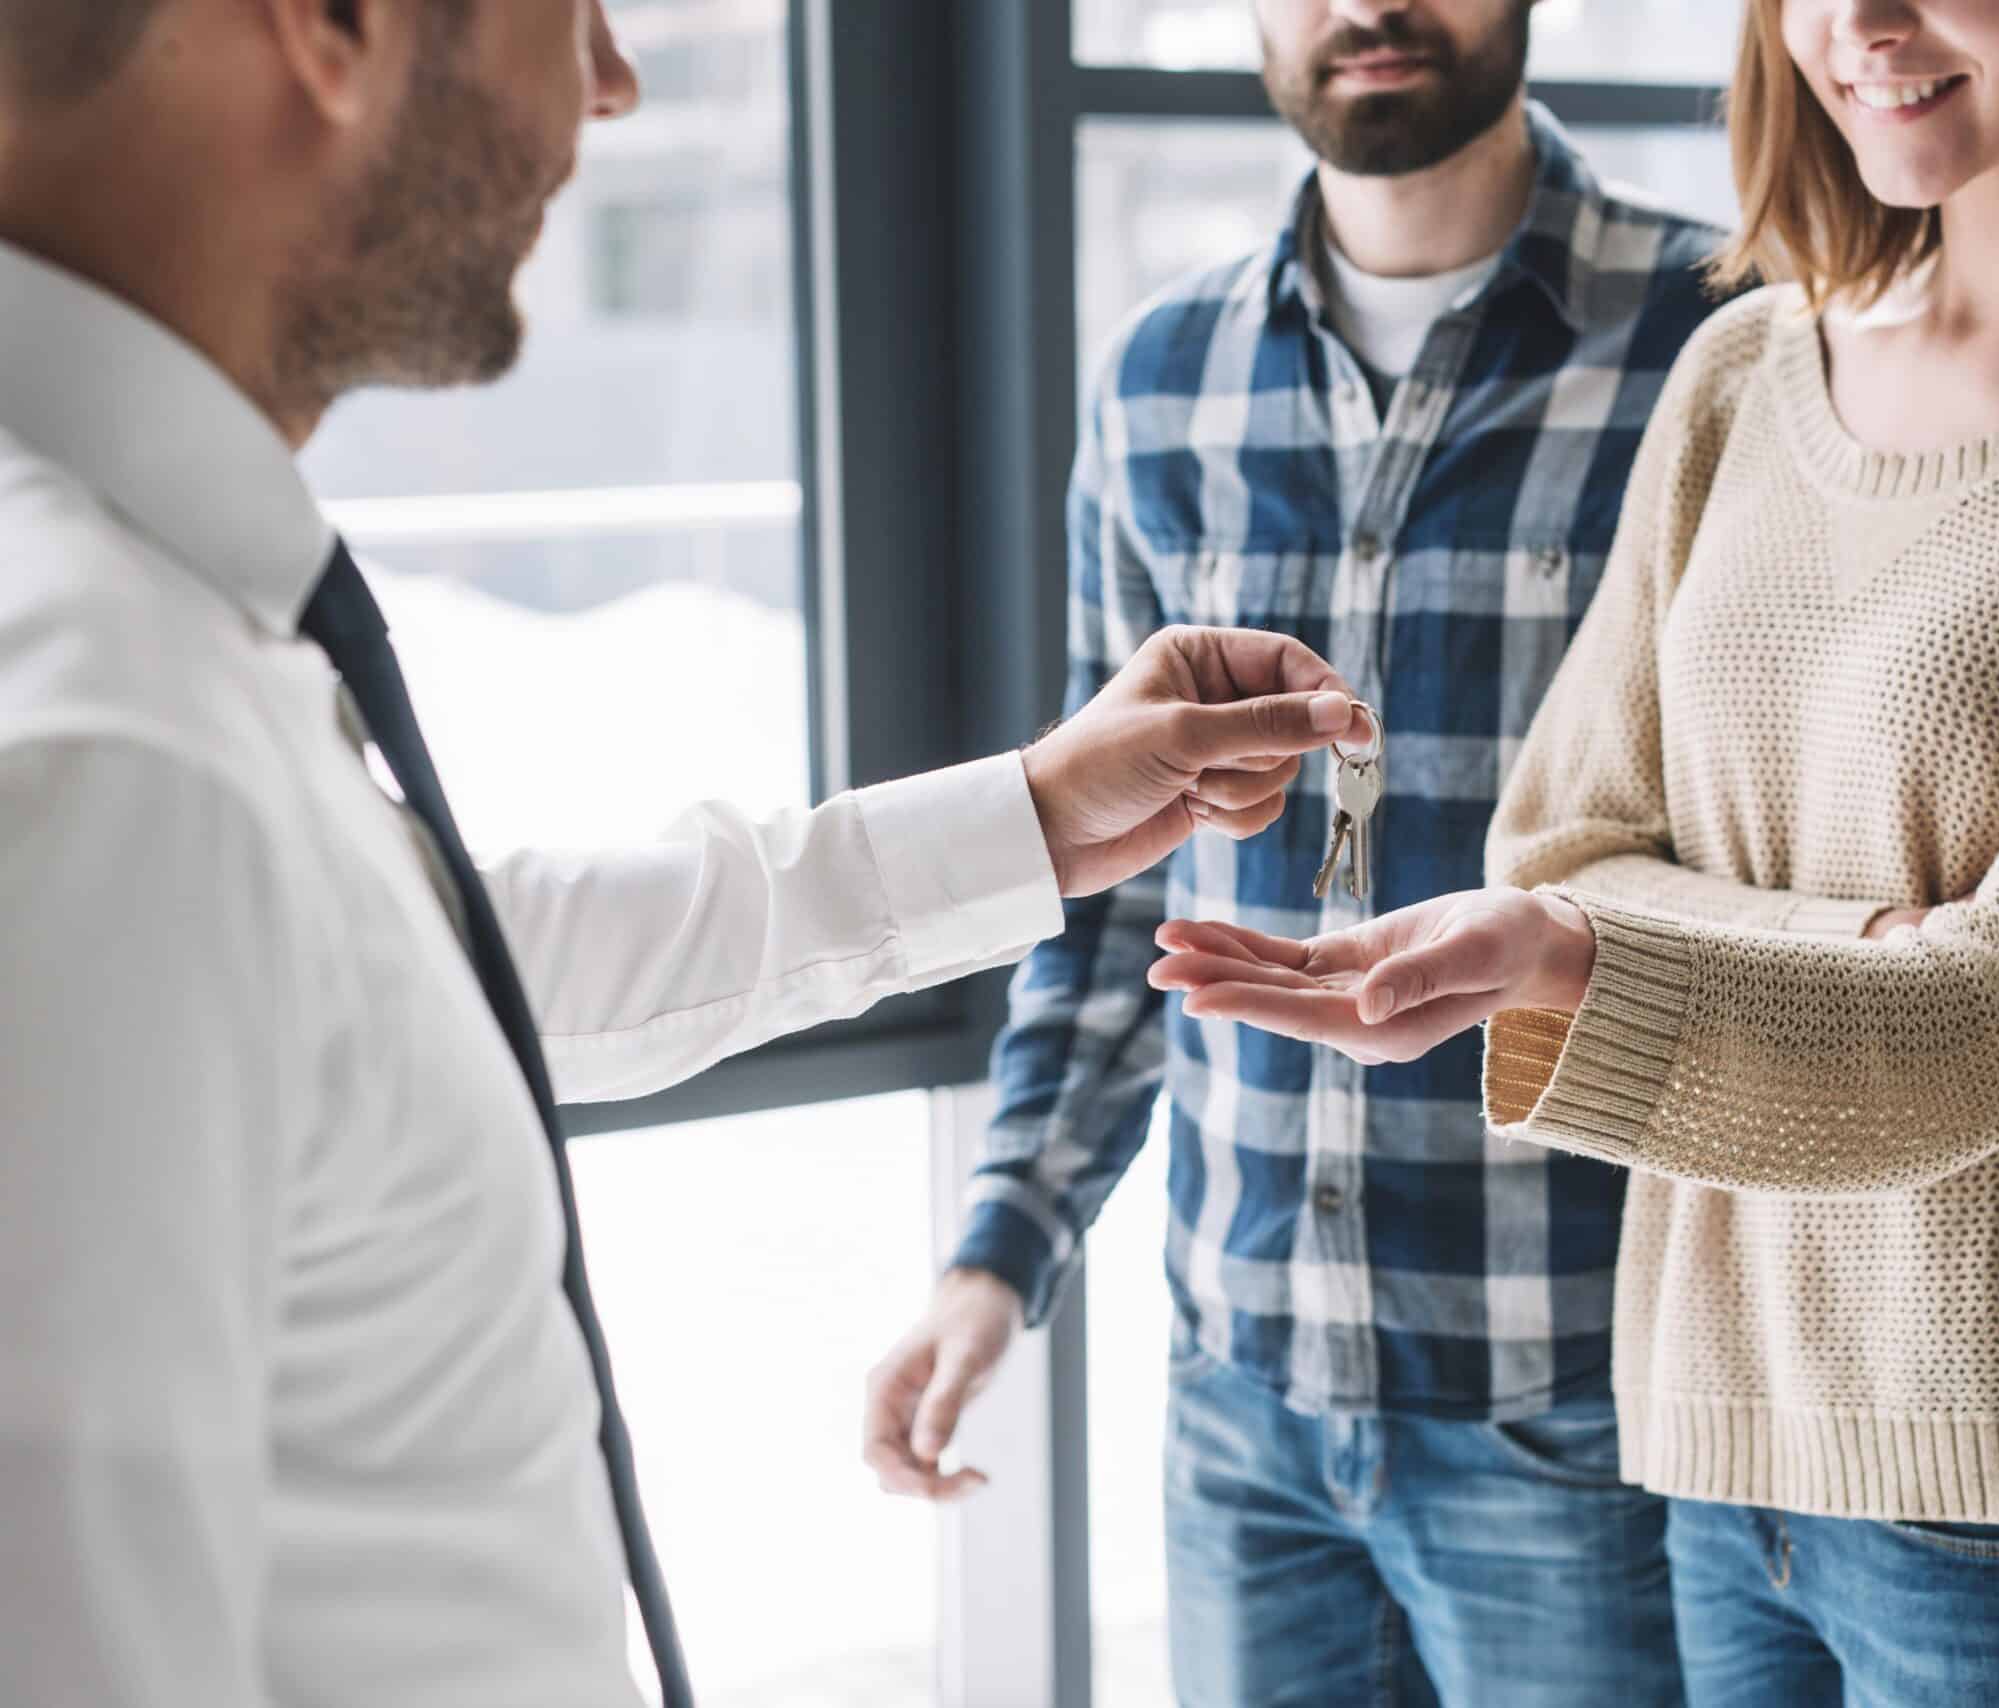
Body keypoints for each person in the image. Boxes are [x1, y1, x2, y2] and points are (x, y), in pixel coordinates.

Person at [869, 2, 1999, 1702]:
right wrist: (996, 1255)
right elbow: (1118, 901)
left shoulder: (1741, 332)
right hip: (1245, 1385)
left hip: (1597, 1385)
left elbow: (1919, 844)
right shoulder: (1165, 378)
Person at [0, 4, 1364, 1704]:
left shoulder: (143, 648)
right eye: (570, 9)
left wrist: (1030, 813)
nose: (617, 78)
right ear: (337, 25)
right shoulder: (101, 746)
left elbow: (467, 971)